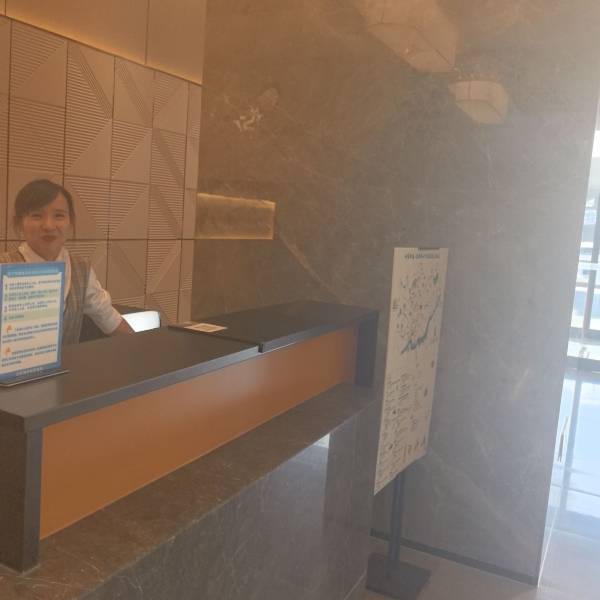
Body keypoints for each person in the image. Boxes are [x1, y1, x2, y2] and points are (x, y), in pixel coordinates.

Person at [0, 179, 133, 344]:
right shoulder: (4, 266)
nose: (49, 226)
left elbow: (108, 318)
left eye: (59, 216)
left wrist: (142, 346)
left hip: (69, 362)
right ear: (19, 223)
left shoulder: (81, 269)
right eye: (36, 216)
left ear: (71, 223)